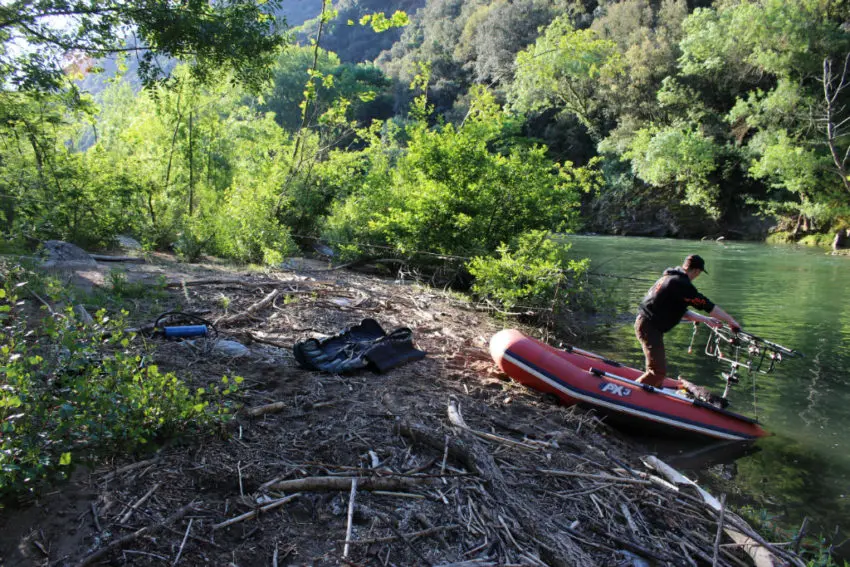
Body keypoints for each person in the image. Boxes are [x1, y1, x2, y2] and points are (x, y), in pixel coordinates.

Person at [634, 254, 741, 388]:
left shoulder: (670, 278)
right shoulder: (681, 284)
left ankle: (647, 396)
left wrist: (706, 320)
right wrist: (732, 321)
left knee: (657, 372)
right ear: (697, 271)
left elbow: (681, 311)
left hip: (647, 324)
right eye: (699, 273)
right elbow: (707, 305)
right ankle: (629, 394)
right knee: (657, 372)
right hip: (649, 327)